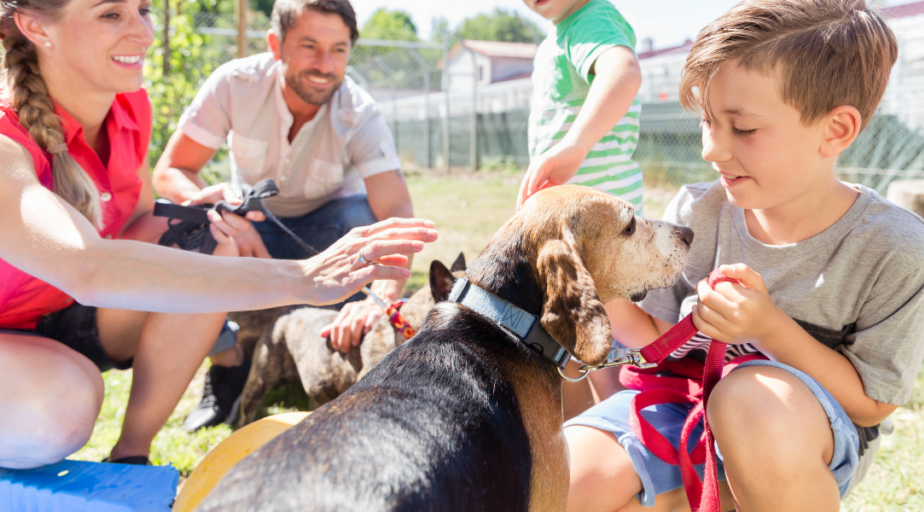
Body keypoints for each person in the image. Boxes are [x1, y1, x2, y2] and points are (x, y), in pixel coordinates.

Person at [0, 0, 436, 469]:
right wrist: (302, 276)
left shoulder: (129, 107)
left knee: (211, 237)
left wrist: (198, 216)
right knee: (61, 410)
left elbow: (137, 224)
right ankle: (230, 350)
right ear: (34, 26)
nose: (144, 34)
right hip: (23, 324)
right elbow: (88, 265)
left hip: (70, 313)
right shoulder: (6, 140)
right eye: (111, 14)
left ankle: (130, 455)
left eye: (144, 10)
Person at [562, 1, 924, 510]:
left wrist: (768, 326)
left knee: (746, 401)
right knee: (568, 478)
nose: (712, 149)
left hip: (790, 437)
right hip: (678, 408)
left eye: (742, 128)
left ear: (836, 130)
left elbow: (872, 403)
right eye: (707, 121)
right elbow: (655, 340)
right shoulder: (696, 212)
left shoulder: (901, 251)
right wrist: (593, 288)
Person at [151, 0, 414, 430]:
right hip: (255, 230)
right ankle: (229, 365)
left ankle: (342, 353)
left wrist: (380, 300)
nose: (325, 65)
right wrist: (221, 213)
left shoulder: (360, 112)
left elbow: (397, 211)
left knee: (359, 213)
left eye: (339, 50)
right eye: (309, 46)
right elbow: (171, 170)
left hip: (330, 238)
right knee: (196, 227)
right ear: (276, 44)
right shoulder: (235, 83)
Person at [516, 0, 644, 419]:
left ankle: (623, 433)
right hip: (576, 226)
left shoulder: (591, 19)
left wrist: (576, 143)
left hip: (598, 228)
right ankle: (585, 433)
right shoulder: (561, 32)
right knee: (572, 337)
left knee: (601, 337)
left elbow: (622, 72)